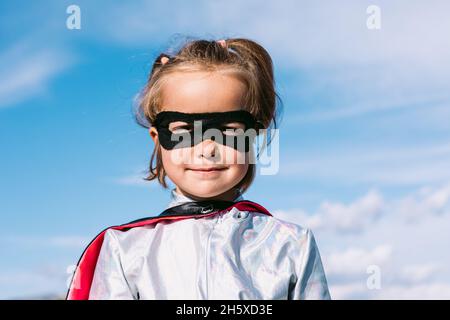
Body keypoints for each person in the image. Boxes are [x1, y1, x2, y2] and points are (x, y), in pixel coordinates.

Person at [66, 38, 331, 300]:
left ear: (252, 136)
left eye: (228, 131)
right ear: (158, 141)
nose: (206, 149)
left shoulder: (291, 245)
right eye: (183, 131)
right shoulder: (124, 251)